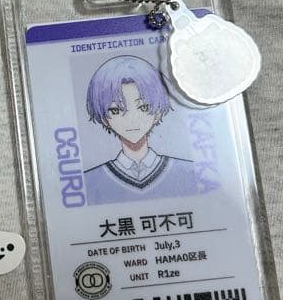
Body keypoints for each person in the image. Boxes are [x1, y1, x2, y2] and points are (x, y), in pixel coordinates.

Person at [83, 55, 198, 205]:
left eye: (143, 107)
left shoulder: (189, 171)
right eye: (116, 110)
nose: (131, 119)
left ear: (157, 113)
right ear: (105, 119)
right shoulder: (89, 182)